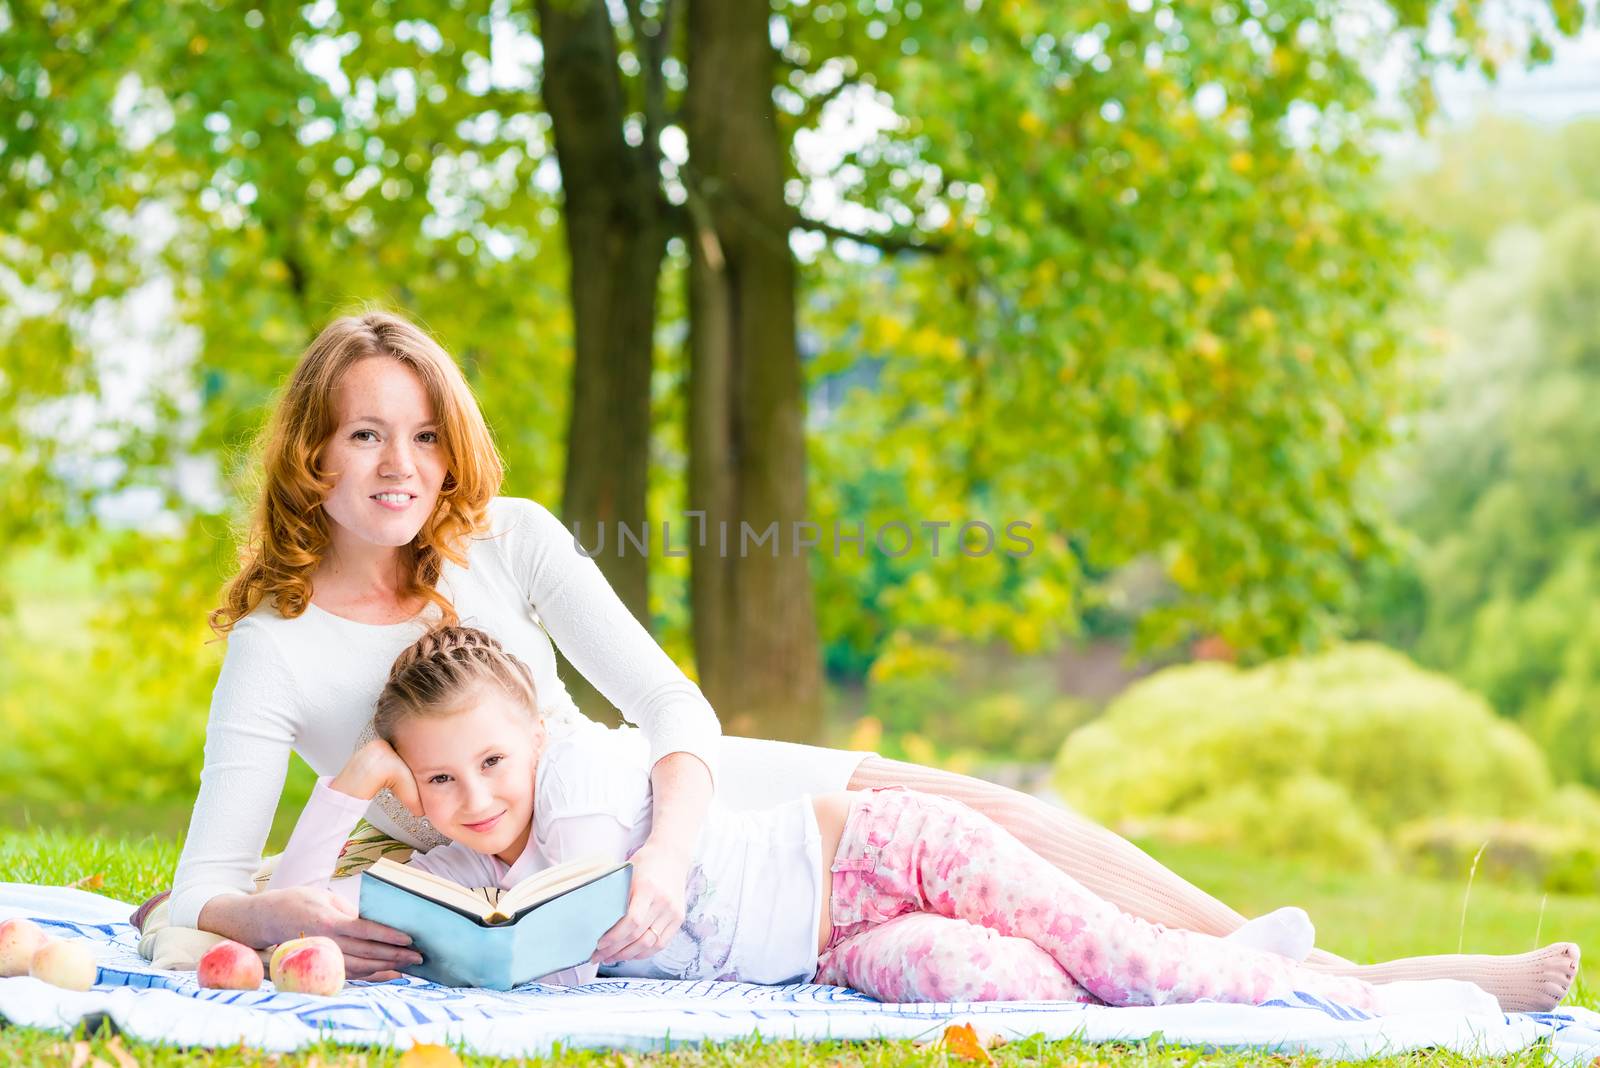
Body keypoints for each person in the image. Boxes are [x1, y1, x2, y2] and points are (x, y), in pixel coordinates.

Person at [163, 309, 1579, 1010]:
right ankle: (1324, 991)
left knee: (998, 816)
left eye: (420, 432)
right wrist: (289, 920)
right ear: (309, 453)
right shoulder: (278, 656)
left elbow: (673, 707)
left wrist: (662, 855)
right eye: (361, 433)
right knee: (983, 944)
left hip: (677, 811)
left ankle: (1363, 983)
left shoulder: (511, 537)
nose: (398, 466)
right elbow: (196, 905)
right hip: (547, 878)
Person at [270, 624, 1509, 1016]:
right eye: (438, 783)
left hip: (873, 848)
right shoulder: (455, 844)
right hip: (836, 949)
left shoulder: (581, 786)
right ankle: (1237, 972)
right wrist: (353, 783)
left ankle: (1383, 997)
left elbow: (571, 907)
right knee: (1026, 992)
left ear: (535, 733)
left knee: (1120, 954)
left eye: (490, 761)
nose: (475, 799)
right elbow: (313, 885)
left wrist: (467, 907)